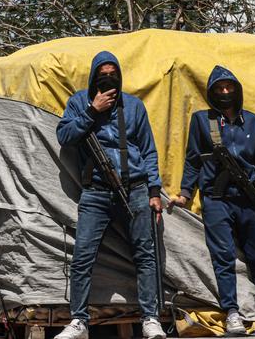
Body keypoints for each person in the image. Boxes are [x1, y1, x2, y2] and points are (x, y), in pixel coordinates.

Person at [168, 65, 255, 334]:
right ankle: (232, 312)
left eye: (229, 88)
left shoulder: (253, 122)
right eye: (219, 89)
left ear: (237, 90)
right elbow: (193, 161)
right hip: (216, 200)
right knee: (223, 258)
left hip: (248, 200)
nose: (225, 92)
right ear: (212, 93)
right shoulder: (203, 121)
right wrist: (186, 194)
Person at [55, 51, 166, 339]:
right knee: (82, 257)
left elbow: (148, 150)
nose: (108, 78)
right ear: (94, 77)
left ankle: (150, 318)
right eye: (102, 74)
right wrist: (93, 110)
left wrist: (155, 191)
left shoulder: (134, 106)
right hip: (95, 192)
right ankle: (79, 320)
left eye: (112, 73)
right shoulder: (80, 102)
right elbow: (64, 136)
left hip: (136, 190)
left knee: (145, 255)